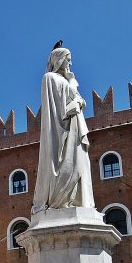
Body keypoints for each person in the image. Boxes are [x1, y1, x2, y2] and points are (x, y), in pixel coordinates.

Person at [31, 45, 94, 214]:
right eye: (68, 58)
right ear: (59, 60)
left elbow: (79, 100)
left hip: (75, 128)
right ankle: (60, 200)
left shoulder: (65, 80)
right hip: (62, 132)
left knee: (80, 164)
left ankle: (77, 200)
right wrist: (73, 87)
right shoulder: (49, 78)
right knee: (66, 166)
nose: (71, 62)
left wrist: (74, 89)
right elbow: (59, 109)